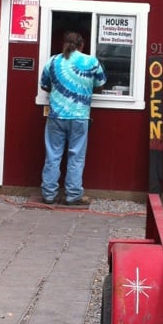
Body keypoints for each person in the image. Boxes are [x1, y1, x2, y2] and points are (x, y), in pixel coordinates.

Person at [40, 32, 106, 206]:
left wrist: (60, 91)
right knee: (76, 156)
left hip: (56, 115)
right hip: (80, 115)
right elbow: (100, 86)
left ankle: (49, 195)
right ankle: (73, 195)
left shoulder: (53, 61)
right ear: (82, 45)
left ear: (64, 44)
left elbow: (44, 85)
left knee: (53, 155)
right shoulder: (92, 62)